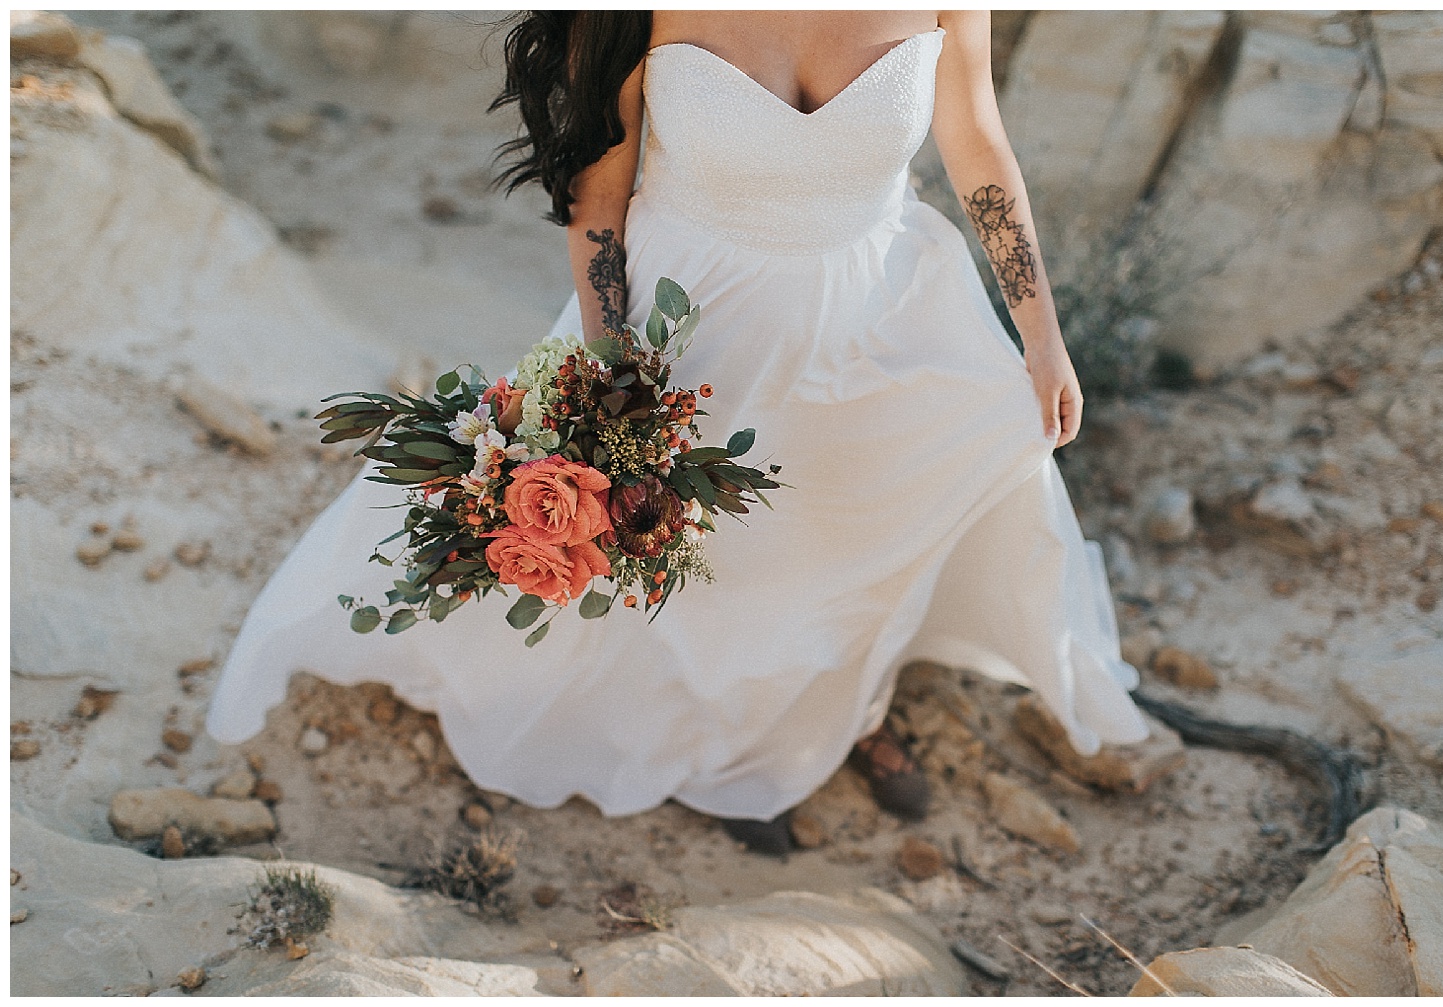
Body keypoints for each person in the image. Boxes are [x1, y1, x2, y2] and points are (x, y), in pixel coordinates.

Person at [205, 10, 1151, 857]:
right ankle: (719, 749)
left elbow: (976, 138)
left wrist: (1041, 334)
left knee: (851, 535)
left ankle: (841, 710)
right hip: (689, 326)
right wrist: (616, 377)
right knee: (699, 559)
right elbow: (599, 194)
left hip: (885, 310)